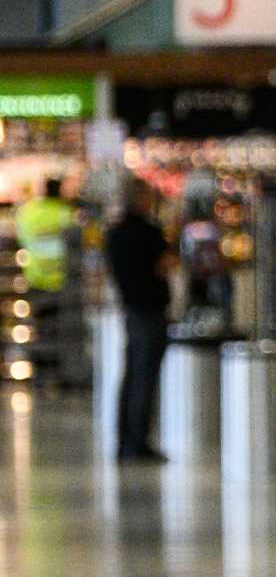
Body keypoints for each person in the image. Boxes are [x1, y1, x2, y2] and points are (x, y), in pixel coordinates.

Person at [102, 179, 173, 463]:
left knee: (131, 375)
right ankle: (138, 442)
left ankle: (124, 441)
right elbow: (166, 263)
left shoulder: (114, 234)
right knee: (145, 377)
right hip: (150, 312)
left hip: (130, 311)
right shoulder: (149, 232)